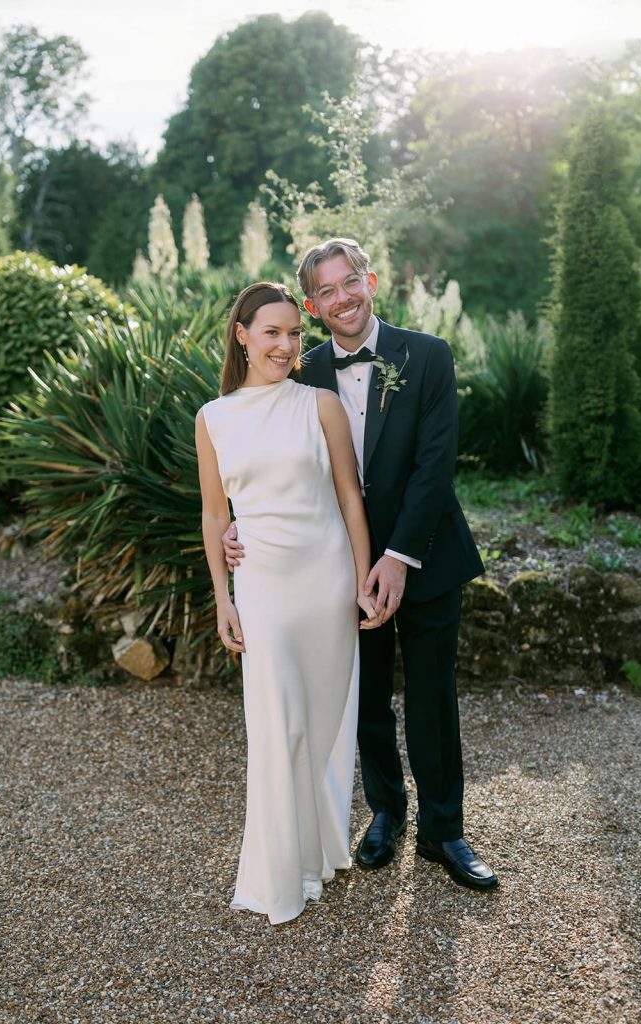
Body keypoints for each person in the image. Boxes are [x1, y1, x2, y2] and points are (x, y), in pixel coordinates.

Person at [225, 239, 499, 890]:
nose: (342, 298)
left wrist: (398, 557)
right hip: (338, 568)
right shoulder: (303, 374)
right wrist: (243, 526)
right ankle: (386, 814)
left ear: (369, 282)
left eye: (350, 283)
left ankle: (443, 831)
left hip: (426, 558)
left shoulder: (426, 356)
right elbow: (278, 469)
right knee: (366, 698)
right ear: (313, 307)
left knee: (432, 697)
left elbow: (434, 469)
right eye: (326, 291)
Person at [195, 281, 380, 926]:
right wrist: (223, 597)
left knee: (327, 724)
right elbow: (214, 513)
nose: (284, 345)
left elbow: (350, 499)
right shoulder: (213, 418)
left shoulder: (320, 404)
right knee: (277, 726)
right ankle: (278, 874)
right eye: (270, 332)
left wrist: (362, 580)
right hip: (264, 585)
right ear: (241, 335)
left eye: (293, 334)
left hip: (325, 580)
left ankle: (320, 853)